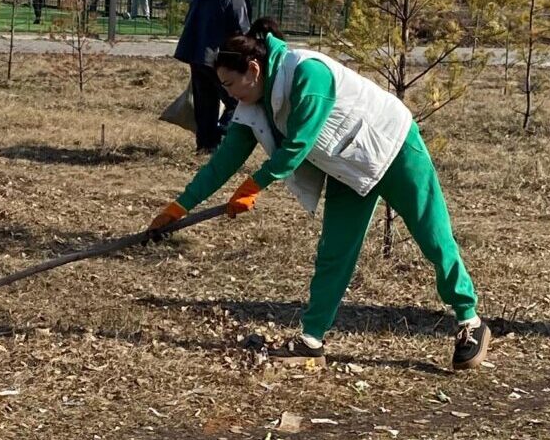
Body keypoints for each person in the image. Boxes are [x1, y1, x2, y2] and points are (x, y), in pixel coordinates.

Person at [149, 23, 491, 372]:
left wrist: (254, 185)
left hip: (393, 145)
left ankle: (469, 319)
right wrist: (179, 207)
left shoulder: (307, 71)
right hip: (349, 166)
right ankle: (312, 340)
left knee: (432, 236)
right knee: (334, 253)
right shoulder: (253, 103)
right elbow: (222, 163)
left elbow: (300, 143)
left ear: (253, 69)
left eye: (231, 84)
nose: (230, 94)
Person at [174, 0, 252, 153]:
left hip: (195, 54)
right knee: (237, 101)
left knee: (205, 102)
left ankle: (206, 145)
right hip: (217, 57)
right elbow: (241, 30)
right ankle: (224, 132)